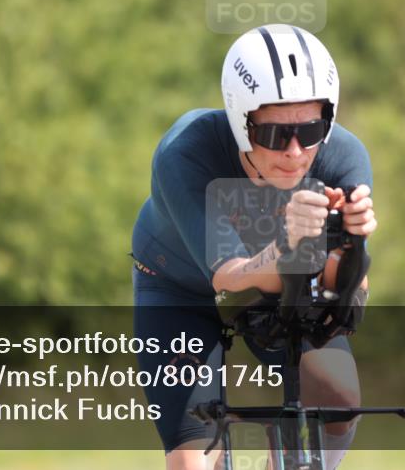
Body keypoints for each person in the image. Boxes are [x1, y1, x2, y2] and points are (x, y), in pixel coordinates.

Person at [131, 24, 376, 470]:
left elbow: (342, 291)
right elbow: (229, 280)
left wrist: (353, 249)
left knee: (338, 395)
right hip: (181, 288)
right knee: (194, 463)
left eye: (312, 128)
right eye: (276, 135)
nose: (296, 152)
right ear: (242, 121)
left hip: (282, 285)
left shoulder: (344, 158)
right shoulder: (186, 151)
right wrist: (288, 242)